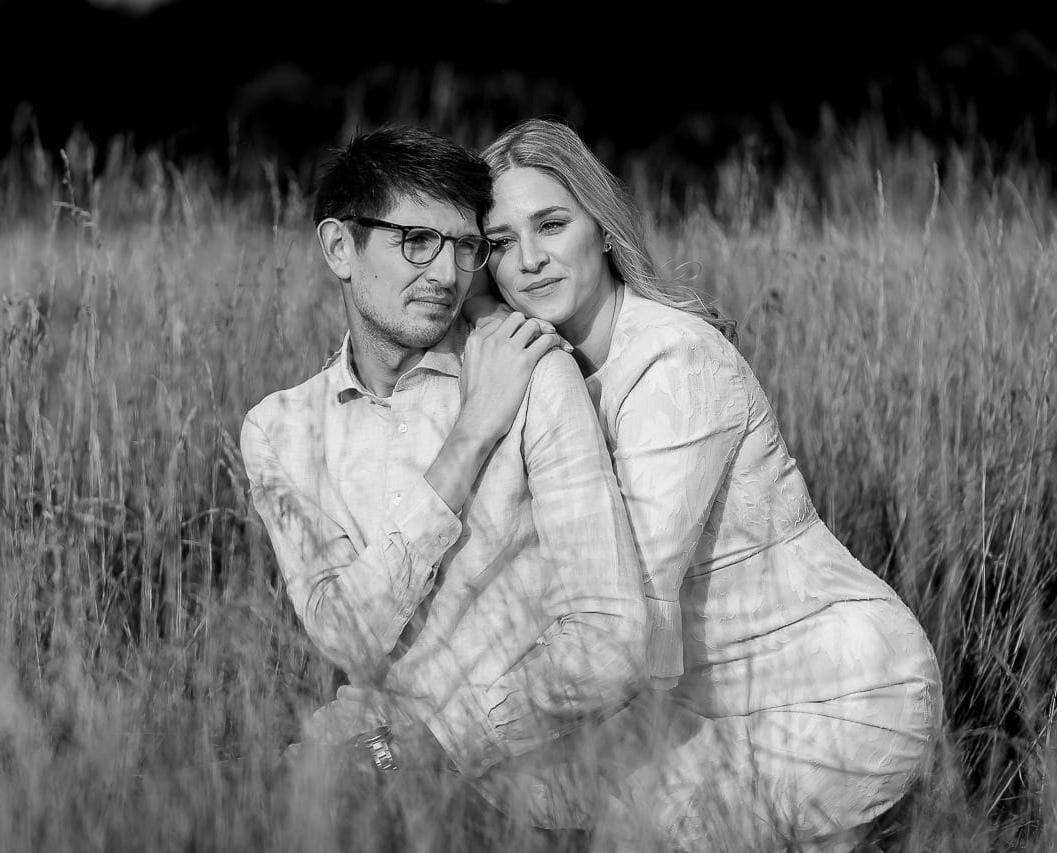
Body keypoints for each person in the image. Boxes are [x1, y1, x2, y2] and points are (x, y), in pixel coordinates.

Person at [460, 117, 945, 851]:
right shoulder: (544, 369)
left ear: (602, 227)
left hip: (844, 687)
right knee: (515, 784)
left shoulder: (672, 364)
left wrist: (440, 723)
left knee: (634, 828)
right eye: (499, 243)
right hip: (709, 701)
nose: (527, 260)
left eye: (551, 225)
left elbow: (626, 635)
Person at [238, 124, 653, 849]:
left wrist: (420, 739)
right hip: (369, 776)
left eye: (465, 247)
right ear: (340, 248)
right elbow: (345, 631)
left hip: (532, 801)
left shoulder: (532, 370)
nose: (446, 273)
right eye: (416, 241)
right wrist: (469, 437)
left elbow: (612, 641)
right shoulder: (281, 429)